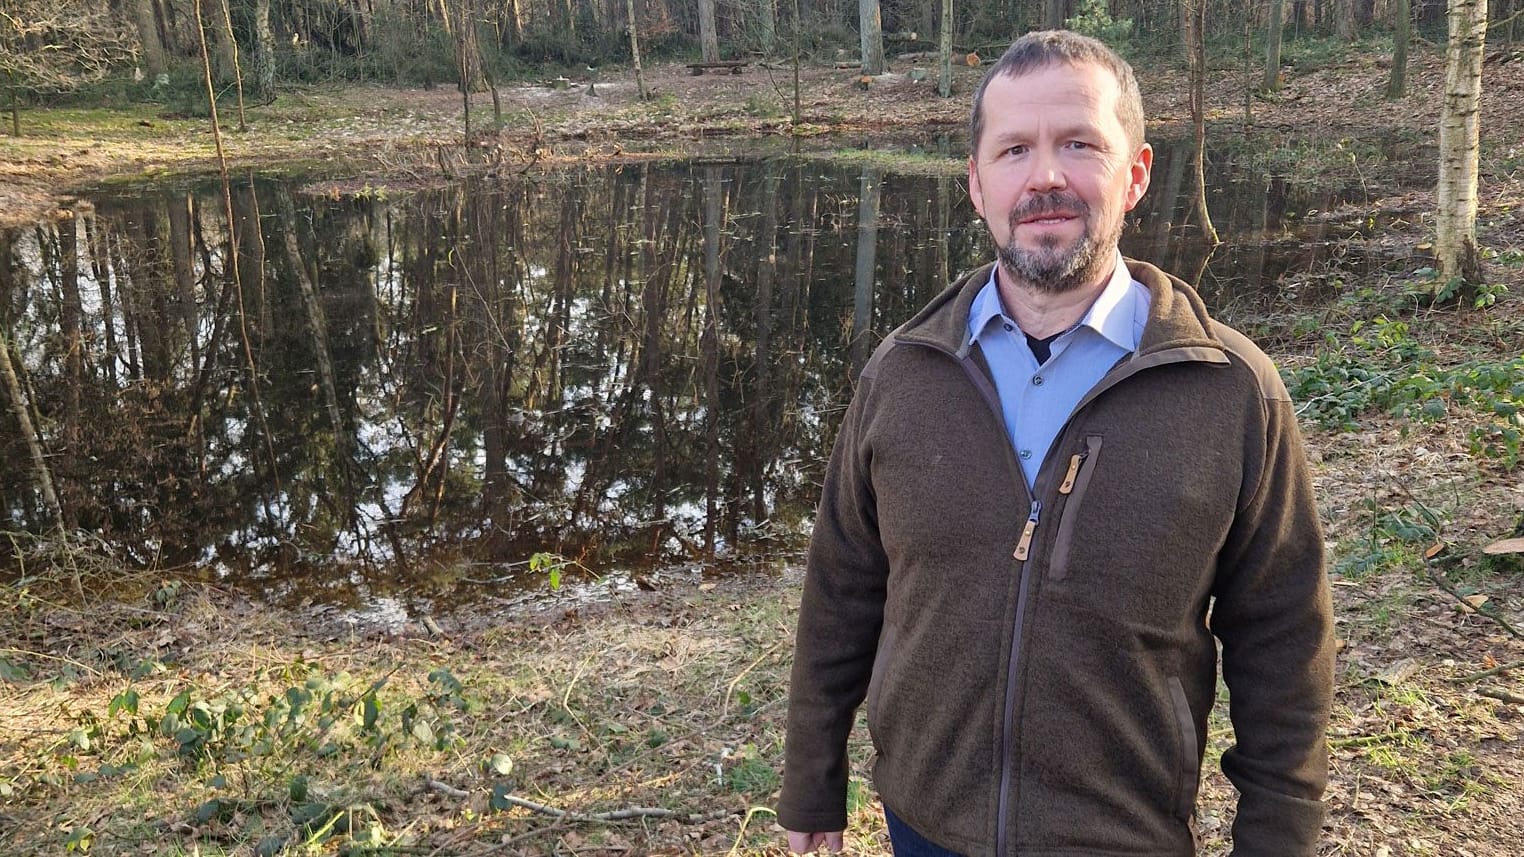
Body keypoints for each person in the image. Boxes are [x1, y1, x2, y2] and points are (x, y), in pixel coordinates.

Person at [777, 30, 1335, 857]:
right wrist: (811, 776)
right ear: (976, 183)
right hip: (927, 826)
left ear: (1135, 173)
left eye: (1079, 144)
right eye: (1013, 150)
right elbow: (841, 593)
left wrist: (1278, 836)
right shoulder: (902, 375)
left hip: (1124, 836)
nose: (1045, 176)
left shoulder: (1230, 392)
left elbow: (1284, 642)